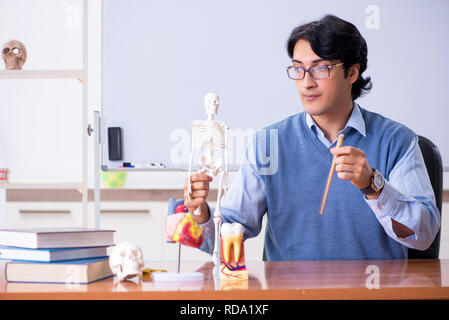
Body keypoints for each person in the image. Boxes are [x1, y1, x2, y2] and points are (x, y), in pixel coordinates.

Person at [166, 14, 440, 260]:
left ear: (352, 72)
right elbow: (227, 234)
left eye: (321, 68)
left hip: (371, 292)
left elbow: (424, 234)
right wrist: (201, 213)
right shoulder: (269, 142)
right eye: (298, 69)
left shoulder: (397, 141)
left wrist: (373, 184)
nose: (307, 82)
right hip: (287, 294)